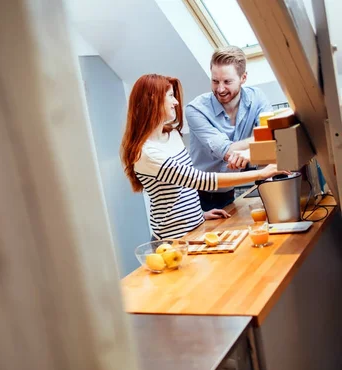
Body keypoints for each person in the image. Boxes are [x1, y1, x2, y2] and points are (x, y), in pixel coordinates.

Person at [120, 74, 284, 239]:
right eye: (170, 96)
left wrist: (200, 215)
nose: (176, 102)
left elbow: (183, 188)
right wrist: (261, 173)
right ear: (153, 100)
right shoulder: (147, 153)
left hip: (195, 230)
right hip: (173, 240)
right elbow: (198, 179)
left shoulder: (173, 135)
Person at [186, 46, 272, 211]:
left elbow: (273, 137)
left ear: (243, 77)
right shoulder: (196, 109)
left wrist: (251, 150)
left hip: (228, 190)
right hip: (199, 197)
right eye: (215, 81)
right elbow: (227, 151)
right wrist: (258, 141)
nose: (220, 89)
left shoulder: (257, 98)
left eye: (227, 82)